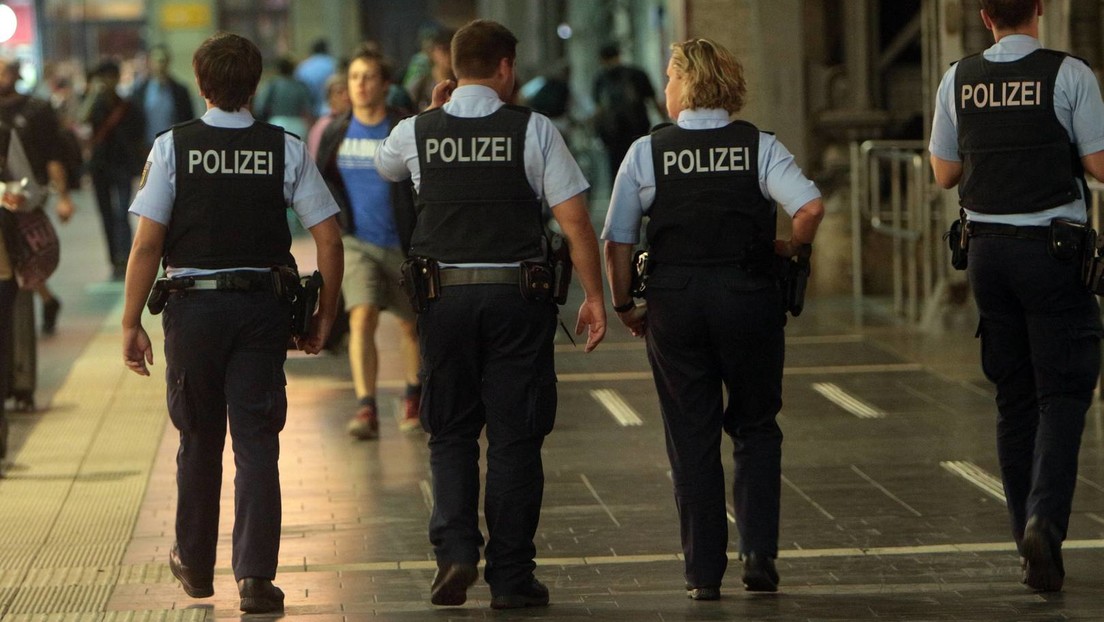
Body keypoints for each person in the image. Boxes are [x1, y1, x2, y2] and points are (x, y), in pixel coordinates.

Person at [377, 18, 606, 610]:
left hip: (443, 300)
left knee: (449, 430)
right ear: (505, 68)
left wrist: (430, 114)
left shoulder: (417, 131)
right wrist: (595, 298)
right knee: (515, 437)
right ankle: (510, 577)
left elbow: (387, 167)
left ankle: (454, 553)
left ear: (453, 70)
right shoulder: (533, 130)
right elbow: (576, 221)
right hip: (516, 300)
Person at [121, 32, 343, 614]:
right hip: (262, 312)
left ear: (200, 84)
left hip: (193, 312)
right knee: (256, 443)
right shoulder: (284, 147)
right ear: (255, 83)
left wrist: (129, 322)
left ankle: (195, 564)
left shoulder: (173, 147)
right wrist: (325, 311)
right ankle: (255, 579)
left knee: (198, 440)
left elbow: (147, 244)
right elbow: (327, 235)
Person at [603, 38, 823, 600]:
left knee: (691, 436)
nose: (667, 89)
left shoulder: (648, 152)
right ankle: (757, 553)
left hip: (676, 303)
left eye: (671, 79)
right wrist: (791, 252)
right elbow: (810, 207)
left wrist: (626, 304)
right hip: (749, 299)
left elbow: (619, 237)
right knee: (755, 425)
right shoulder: (759, 146)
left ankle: (703, 574)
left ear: (685, 81)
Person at [929, 0, 1104, 593]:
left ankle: (1026, 547)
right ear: (1039, 10)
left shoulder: (958, 78)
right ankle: (1043, 523)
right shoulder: (1070, 74)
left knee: (1014, 398)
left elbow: (944, 173)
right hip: (1053, 253)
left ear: (984, 16)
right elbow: (1098, 164)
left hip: (986, 253)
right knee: (1063, 392)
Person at [315, 46, 421, 439]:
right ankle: (366, 407)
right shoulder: (338, 130)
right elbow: (323, 176)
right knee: (361, 317)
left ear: (385, 85)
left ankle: (414, 392)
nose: (359, 85)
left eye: (368, 77)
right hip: (357, 242)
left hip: (402, 245)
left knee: (412, 327)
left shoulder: (403, 128)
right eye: (354, 77)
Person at [0, 59, 75, 334]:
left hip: (29, 192)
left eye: (4, 70)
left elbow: (53, 154)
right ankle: (46, 299)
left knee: (17, 250)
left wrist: (63, 196)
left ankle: (30, 304)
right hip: (3, 195)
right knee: (15, 253)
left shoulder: (36, 109)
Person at [80, 60, 145, 280]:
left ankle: (124, 257)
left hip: (122, 165)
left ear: (117, 78)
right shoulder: (93, 104)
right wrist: (91, 94)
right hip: (100, 167)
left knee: (121, 213)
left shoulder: (128, 104)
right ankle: (113, 260)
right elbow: (80, 119)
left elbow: (139, 133)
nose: (106, 82)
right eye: (102, 77)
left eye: (110, 76)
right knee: (106, 214)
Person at [592, 42, 664, 180]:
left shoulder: (601, 79)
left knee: (617, 172)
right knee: (641, 169)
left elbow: (599, 109)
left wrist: (597, 132)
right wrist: (666, 122)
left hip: (613, 134)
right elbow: (652, 100)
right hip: (637, 129)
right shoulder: (637, 74)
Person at [131, 44, 196, 153]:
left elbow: (188, 119)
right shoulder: (139, 92)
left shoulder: (180, 91)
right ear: (150, 62)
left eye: (163, 60)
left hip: (172, 147)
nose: (160, 64)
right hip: (146, 148)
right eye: (157, 60)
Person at [254, 57, 314, 139]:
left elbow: (260, 106)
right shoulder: (300, 86)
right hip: (298, 124)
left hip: (277, 122)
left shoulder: (273, 85)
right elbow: (308, 108)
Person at [405, 28, 455, 111]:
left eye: (453, 49)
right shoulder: (420, 85)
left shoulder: (463, 83)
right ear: (432, 52)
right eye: (444, 49)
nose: (449, 54)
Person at [307, 72, 350, 159]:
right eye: (339, 92)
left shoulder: (356, 121)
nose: (346, 96)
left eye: (348, 91)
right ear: (330, 99)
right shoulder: (324, 126)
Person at [296, 39, 338, 116]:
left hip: (309, 110)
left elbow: (299, 88)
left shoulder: (303, 66)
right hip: (329, 109)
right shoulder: (333, 63)